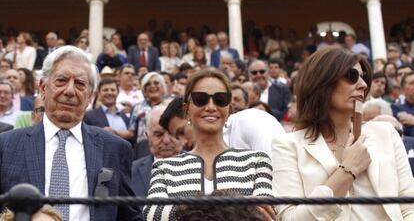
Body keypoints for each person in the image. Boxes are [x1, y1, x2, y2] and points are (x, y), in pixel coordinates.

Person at [0, 46, 142, 221]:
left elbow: (129, 216)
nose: (69, 91)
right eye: (61, 80)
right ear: (43, 87)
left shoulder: (115, 148)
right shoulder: (6, 145)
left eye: (80, 84)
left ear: (90, 96)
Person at [272, 47, 414, 220]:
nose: (362, 85)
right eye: (352, 76)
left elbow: (409, 207)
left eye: (364, 78)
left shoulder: (385, 133)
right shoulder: (288, 146)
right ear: (321, 81)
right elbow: (291, 219)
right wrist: (347, 170)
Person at [144, 69, 275, 221]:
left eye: (220, 99)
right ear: (187, 109)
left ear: (229, 109)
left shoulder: (257, 161)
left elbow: (266, 214)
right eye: (201, 99)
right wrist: (240, 206)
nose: (211, 107)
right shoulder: (164, 167)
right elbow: (153, 215)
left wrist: (184, 208)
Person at [131, 104, 182, 197]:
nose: (166, 140)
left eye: (172, 133)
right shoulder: (131, 173)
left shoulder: (202, 168)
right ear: (147, 136)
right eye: (158, 134)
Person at [84, 77, 135, 143]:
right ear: (99, 94)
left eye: (112, 90)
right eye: (105, 90)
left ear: (118, 92)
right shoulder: (89, 116)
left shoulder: (126, 117)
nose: (109, 93)